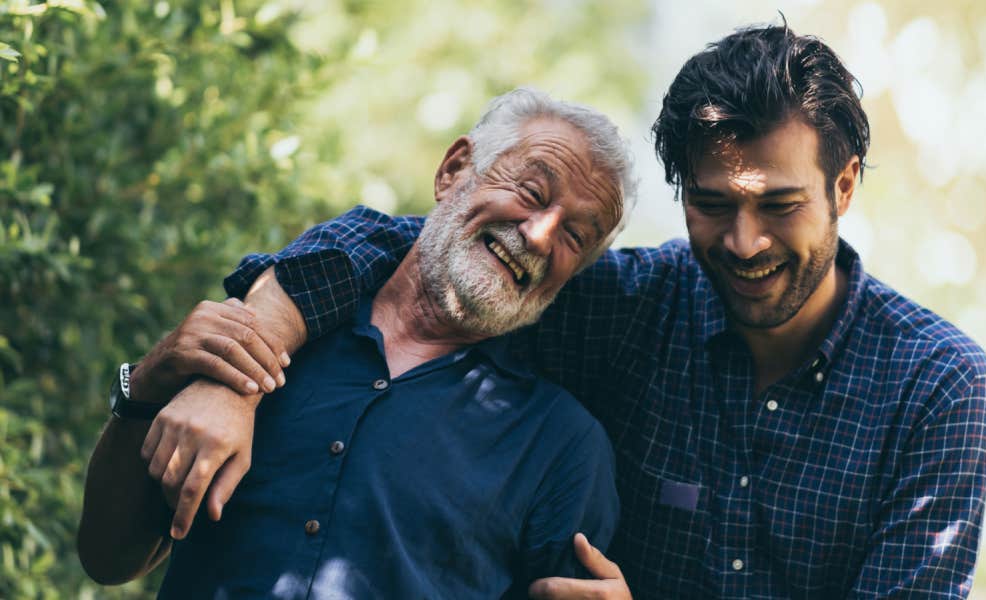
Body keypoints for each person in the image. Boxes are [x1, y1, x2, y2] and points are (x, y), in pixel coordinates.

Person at [133, 25, 986, 599]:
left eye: (778, 205)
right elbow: (417, 249)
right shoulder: (628, 308)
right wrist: (244, 360)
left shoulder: (936, 386)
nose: (741, 243)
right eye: (710, 204)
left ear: (843, 186)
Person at [76, 88, 637, 598]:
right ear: (454, 169)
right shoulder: (266, 332)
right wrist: (148, 383)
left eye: (574, 236)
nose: (539, 236)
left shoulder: (562, 447)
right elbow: (108, 557)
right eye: (531, 191)